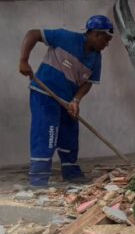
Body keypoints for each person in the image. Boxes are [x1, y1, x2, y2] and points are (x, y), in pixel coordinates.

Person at [18, 15, 115, 187]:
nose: (107, 44)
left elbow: (88, 83)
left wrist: (76, 100)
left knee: (70, 133)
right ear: (96, 34)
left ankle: (71, 173)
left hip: (68, 100)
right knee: (48, 133)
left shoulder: (96, 58)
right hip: (45, 94)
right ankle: (38, 178)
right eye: (106, 39)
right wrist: (23, 61)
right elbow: (33, 34)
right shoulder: (65, 37)